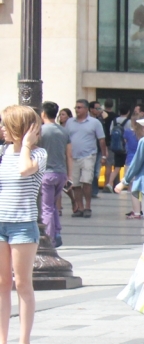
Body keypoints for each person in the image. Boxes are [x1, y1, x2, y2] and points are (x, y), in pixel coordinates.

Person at [0, 105, 46, 344]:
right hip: (0, 223)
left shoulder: (39, 154)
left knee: (22, 283)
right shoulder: (1, 153)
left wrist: (26, 145)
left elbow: (24, 170)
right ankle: (2, 343)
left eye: (7, 125)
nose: (2, 129)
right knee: (2, 283)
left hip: (22, 225)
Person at [64, 99, 106, 218]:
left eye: (80, 107)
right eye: (76, 107)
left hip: (89, 156)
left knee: (86, 181)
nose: (77, 110)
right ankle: (80, 208)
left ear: (86, 109)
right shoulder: (70, 122)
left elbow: (101, 139)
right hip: (73, 157)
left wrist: (103, 155)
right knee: (76, 184)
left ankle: (88, 207)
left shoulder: (94, 122)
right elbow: (66, 138)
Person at [38, 102, 71, 247]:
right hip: (61, 173)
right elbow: (69, 155)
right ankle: (57, 232)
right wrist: (69, 175)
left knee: (46, 207)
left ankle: (48, 237)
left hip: (46, 173)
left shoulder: (41, 131)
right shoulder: (64, 131)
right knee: (52, 205)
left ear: (43, 114)